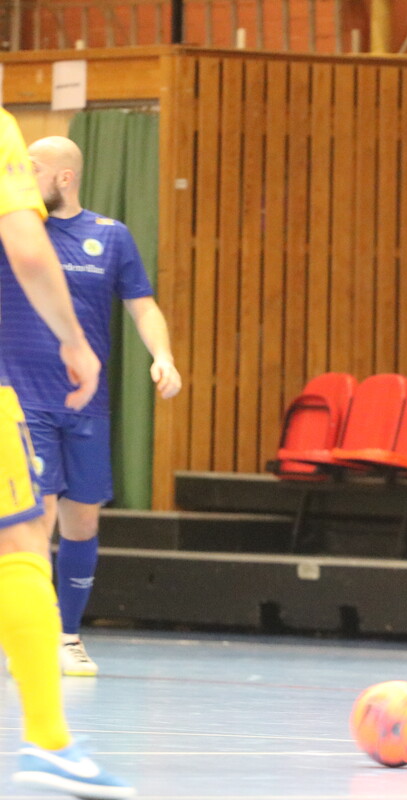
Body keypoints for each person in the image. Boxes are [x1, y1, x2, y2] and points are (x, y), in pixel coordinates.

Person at [0, 136, 181, 679]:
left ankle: (67, 636)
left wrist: (163, 357)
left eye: (33, 169)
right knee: (36, 517)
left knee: (81, 522)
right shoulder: (14, 230)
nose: (22, 177)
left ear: (64, 177)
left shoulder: (112, 235)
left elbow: (143, 307)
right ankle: (28, 634)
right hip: (23, 399)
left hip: (86, 404)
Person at [0, 112, 135, 797]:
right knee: (22, 538)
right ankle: (50, 743)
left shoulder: (112, 236)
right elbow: (27, 248)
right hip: (17, 389)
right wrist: (75, 340)